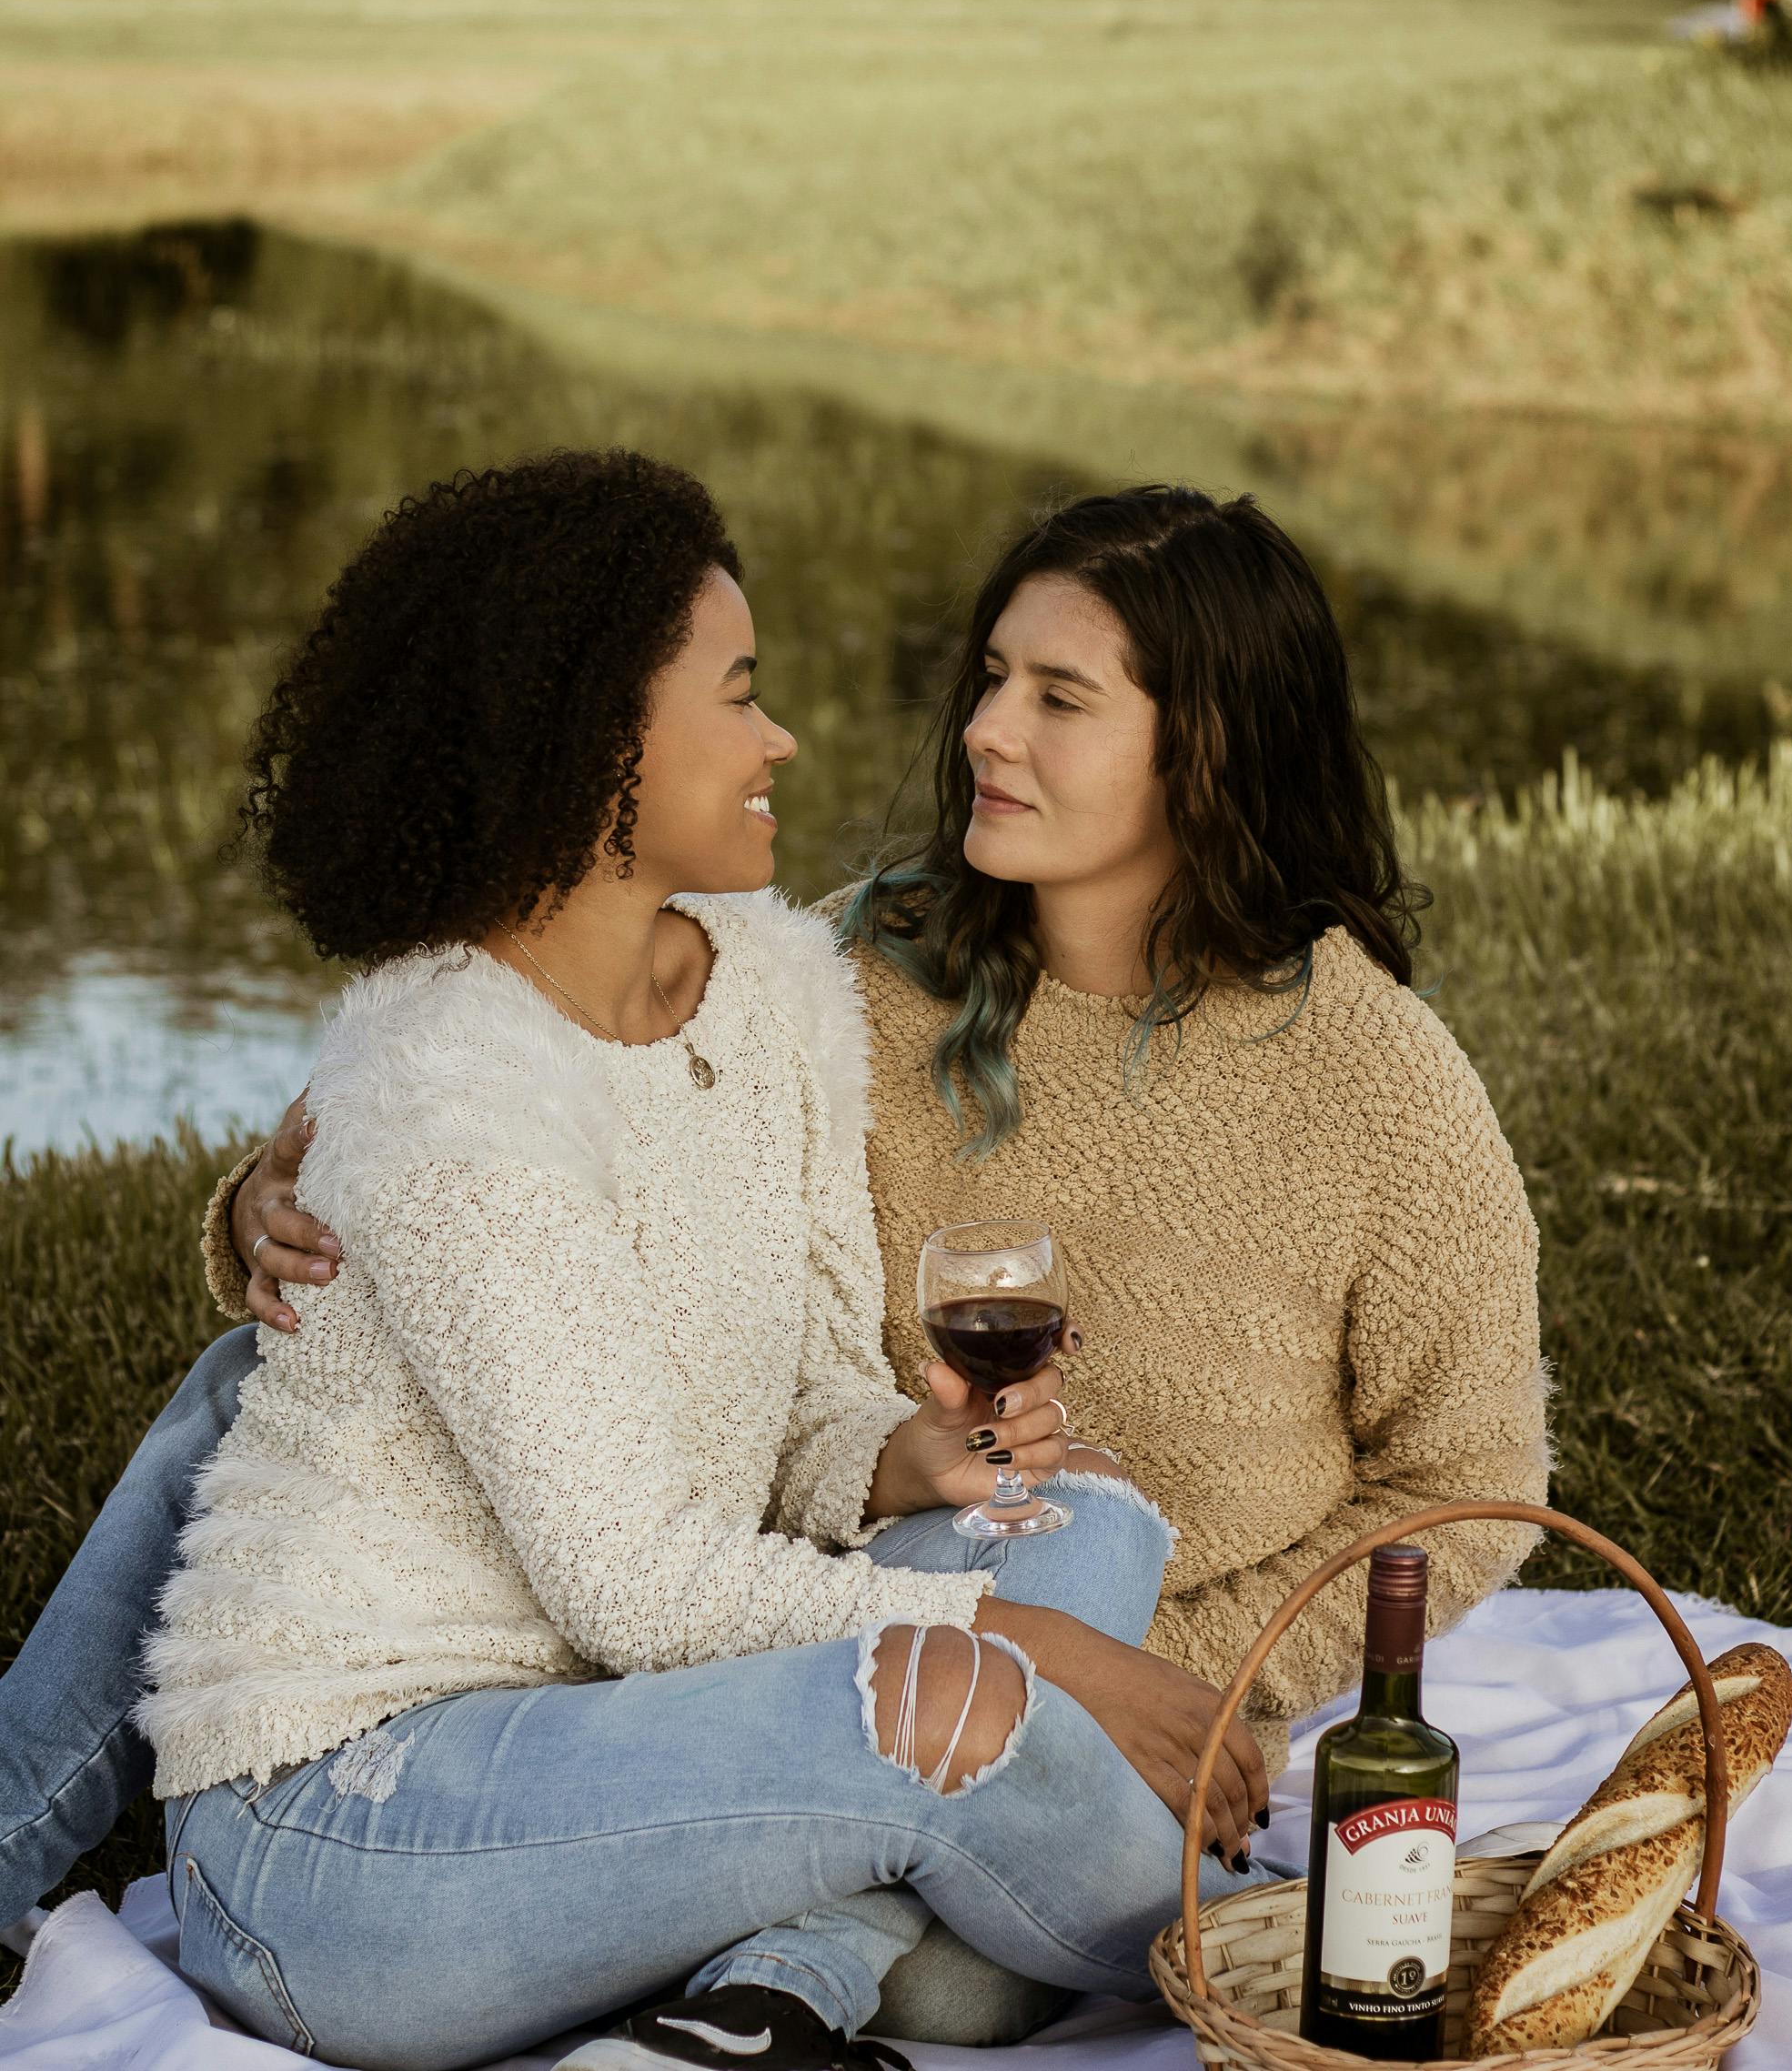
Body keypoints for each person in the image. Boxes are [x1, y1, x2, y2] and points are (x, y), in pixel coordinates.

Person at [4, 481, 1545, 2038]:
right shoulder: (871, 965)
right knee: (253, 1375)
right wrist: (277, 1192)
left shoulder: (1367, 1080)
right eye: (992, 678)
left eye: (1057, 697)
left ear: (1208, 747)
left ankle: (792, 1977)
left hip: (1021, 1604)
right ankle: (1298, 1960)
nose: (984, 732)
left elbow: (1470, 1477)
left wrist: (1179, 1672)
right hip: (775, 1622)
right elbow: (518, 1064)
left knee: (1084, 1527)